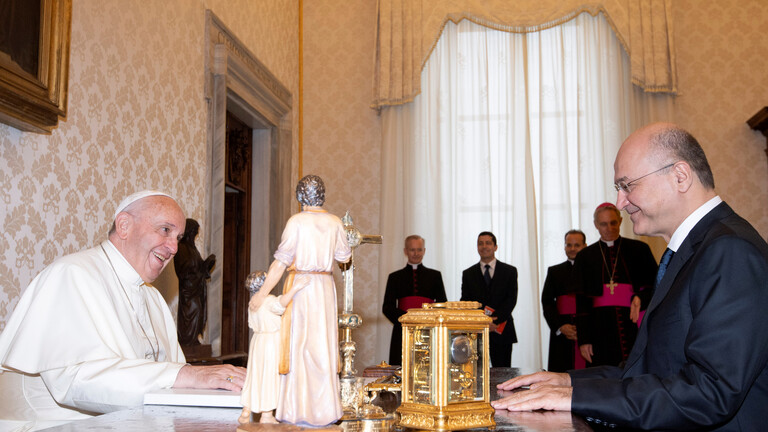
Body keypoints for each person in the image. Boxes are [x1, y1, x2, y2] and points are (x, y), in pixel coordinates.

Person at [493, 123, 768, 431]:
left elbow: (710, 392)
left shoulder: (729, 251)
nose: (620, 203)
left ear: (680, 176)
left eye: (627, 186)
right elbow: (650, 371)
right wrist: (567, 381)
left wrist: (575, 397)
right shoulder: (695, 249)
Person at [0, 190, 246, 429]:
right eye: (165, 230)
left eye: (178, 238)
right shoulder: (72, 275)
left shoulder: (153, 298)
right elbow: (75, 381)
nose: (173, 247)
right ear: (124, 225)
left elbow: (175, 384)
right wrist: (189, 376)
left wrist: (220, 383)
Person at [252, 175, 351, 427]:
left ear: (300, 197)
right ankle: (325, 411)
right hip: (324, 287)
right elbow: (345, 257)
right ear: (322, 195)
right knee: (322, 346)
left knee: (299, 346)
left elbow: (280, 263)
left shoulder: (296, 221)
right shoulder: (335, 222)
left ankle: (296, 409)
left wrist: (262, 293)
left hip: (300, 287)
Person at [572, 203, 657, 367]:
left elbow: (655, 285)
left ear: (620, 221)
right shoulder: (585, 256)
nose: (609, 228)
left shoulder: (640, 249)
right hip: (599, 327)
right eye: (604, 224)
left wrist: (641, 298)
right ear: (596, 225)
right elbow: (582, 303)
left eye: (613, 223)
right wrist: (584, 340)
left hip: (633, 323)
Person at [239, 271, 306, 425]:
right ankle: (267, 415)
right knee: (269, 376)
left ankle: (246, 410)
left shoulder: (252, 302)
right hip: (270, 341)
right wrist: (296, 287)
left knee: (255, 376)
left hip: (257, 340)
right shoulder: (268, 300)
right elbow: (281, 304)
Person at [382, 235, 447, 366]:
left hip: (428, 329)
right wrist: (406, 319)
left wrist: (427, 319)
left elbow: (442, 304)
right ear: (405, 251)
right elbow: (387, 307)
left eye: (419, 249)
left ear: (424, 251)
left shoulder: (435, 276)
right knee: (402, 365)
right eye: (412, 250)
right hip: (402, 329)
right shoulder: (395, 277)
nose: (416, 253)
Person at [460, 231, 518, 367]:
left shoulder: (509, 271)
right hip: (477, 332)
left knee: (503, 372)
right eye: (480, 243)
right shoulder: (468, 273)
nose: (484, 246)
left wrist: (494, 321)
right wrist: (483, 323)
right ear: (477, 247)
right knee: (476, 371)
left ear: (495, 247)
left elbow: (511, 299)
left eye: (488, 243)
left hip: (502, 329)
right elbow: (466, 302)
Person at [541, 229, 587, 372]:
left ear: (585, 246)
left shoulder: (593, 270)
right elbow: (547, 302)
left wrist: (585, 328)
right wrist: (560, 326)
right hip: (562, 330)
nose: (572, 249)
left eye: (577, 245)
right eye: (569, 245)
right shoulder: (554, 271)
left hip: (587, 329)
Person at [174, 218, 216, 346]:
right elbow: (183, 270)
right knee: (194, 309)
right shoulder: (181, 248)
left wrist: (208, 263)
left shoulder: (193, 249)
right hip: (188, 288)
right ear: (188, 232)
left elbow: (199, 266)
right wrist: (197, 272)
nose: (194, 236)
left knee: (199, 310)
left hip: (197, 287)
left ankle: (193, 340)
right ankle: (187, 340)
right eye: (193, 233)